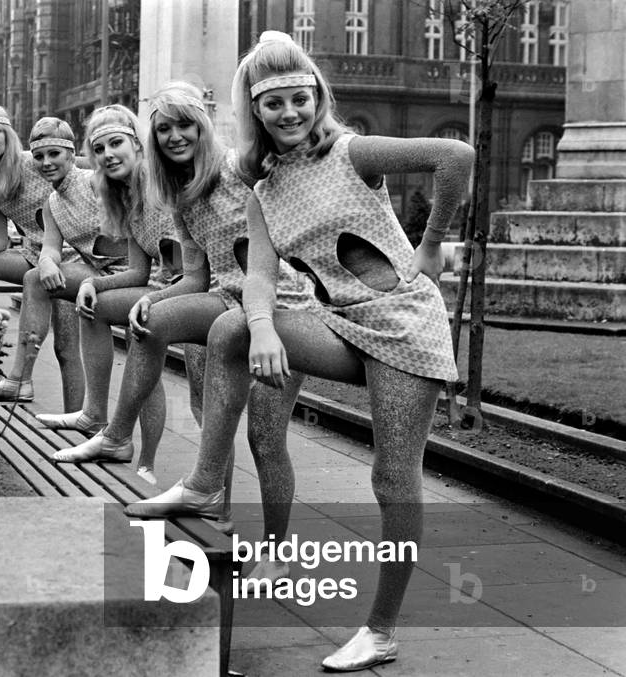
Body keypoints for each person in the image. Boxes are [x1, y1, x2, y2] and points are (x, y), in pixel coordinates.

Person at [126, 32, 474, 672]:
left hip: (403, 328)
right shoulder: (266, 186)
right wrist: (261, 327)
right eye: (274, 104)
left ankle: (381, 629)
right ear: (254, 112)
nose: (290, 114)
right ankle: (205, 486)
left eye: (300, 99)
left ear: (318, 98)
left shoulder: (352, 152)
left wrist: (430, 247)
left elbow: (455, 154)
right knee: (230, 329)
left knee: (392, 478)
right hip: (339, 323)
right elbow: (258, 277)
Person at [53, 82, 314, 507]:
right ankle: (129, 445)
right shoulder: (180, 196)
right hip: (224, 302)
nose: (175, 136)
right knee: (198, 396)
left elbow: (294, 178)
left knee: (265, 440)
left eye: (185, 125)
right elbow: (194, 276)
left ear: (203, 126)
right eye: (164, 129)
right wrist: (153, 298)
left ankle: (274, 550)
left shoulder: (239, 168)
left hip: (281, 306)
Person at [37, 104, 197, 484]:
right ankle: (105, 424)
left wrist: (150, 299)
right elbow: (139, 271)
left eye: (116, 144)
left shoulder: (162, 190)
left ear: (138, 145)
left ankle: (139, 454)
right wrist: (94, 283)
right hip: (164, 287)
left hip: (200, 288)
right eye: (100, 149)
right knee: (95, 306)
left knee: (198, 395)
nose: (108, 155)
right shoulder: (125, 198)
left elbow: (188, 273)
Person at [0, 116, 128, 402]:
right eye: (39, 156)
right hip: (92, 271)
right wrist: (47, 261)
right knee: (35, 279)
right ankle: (22, 381)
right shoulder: (52, 203)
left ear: (71, 154)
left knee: (71, 347)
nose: (46, 162)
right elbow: (51, 247)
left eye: (54, 154)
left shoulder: (95, 184)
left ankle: (81, 413)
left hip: (131, 274)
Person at [0, 104, 84, 409]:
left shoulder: (35, 161)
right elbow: (0, 239)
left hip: (70, 256)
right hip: (33, 254)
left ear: (8, 134)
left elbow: (77, 167)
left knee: (66, 347)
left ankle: (75, 420)